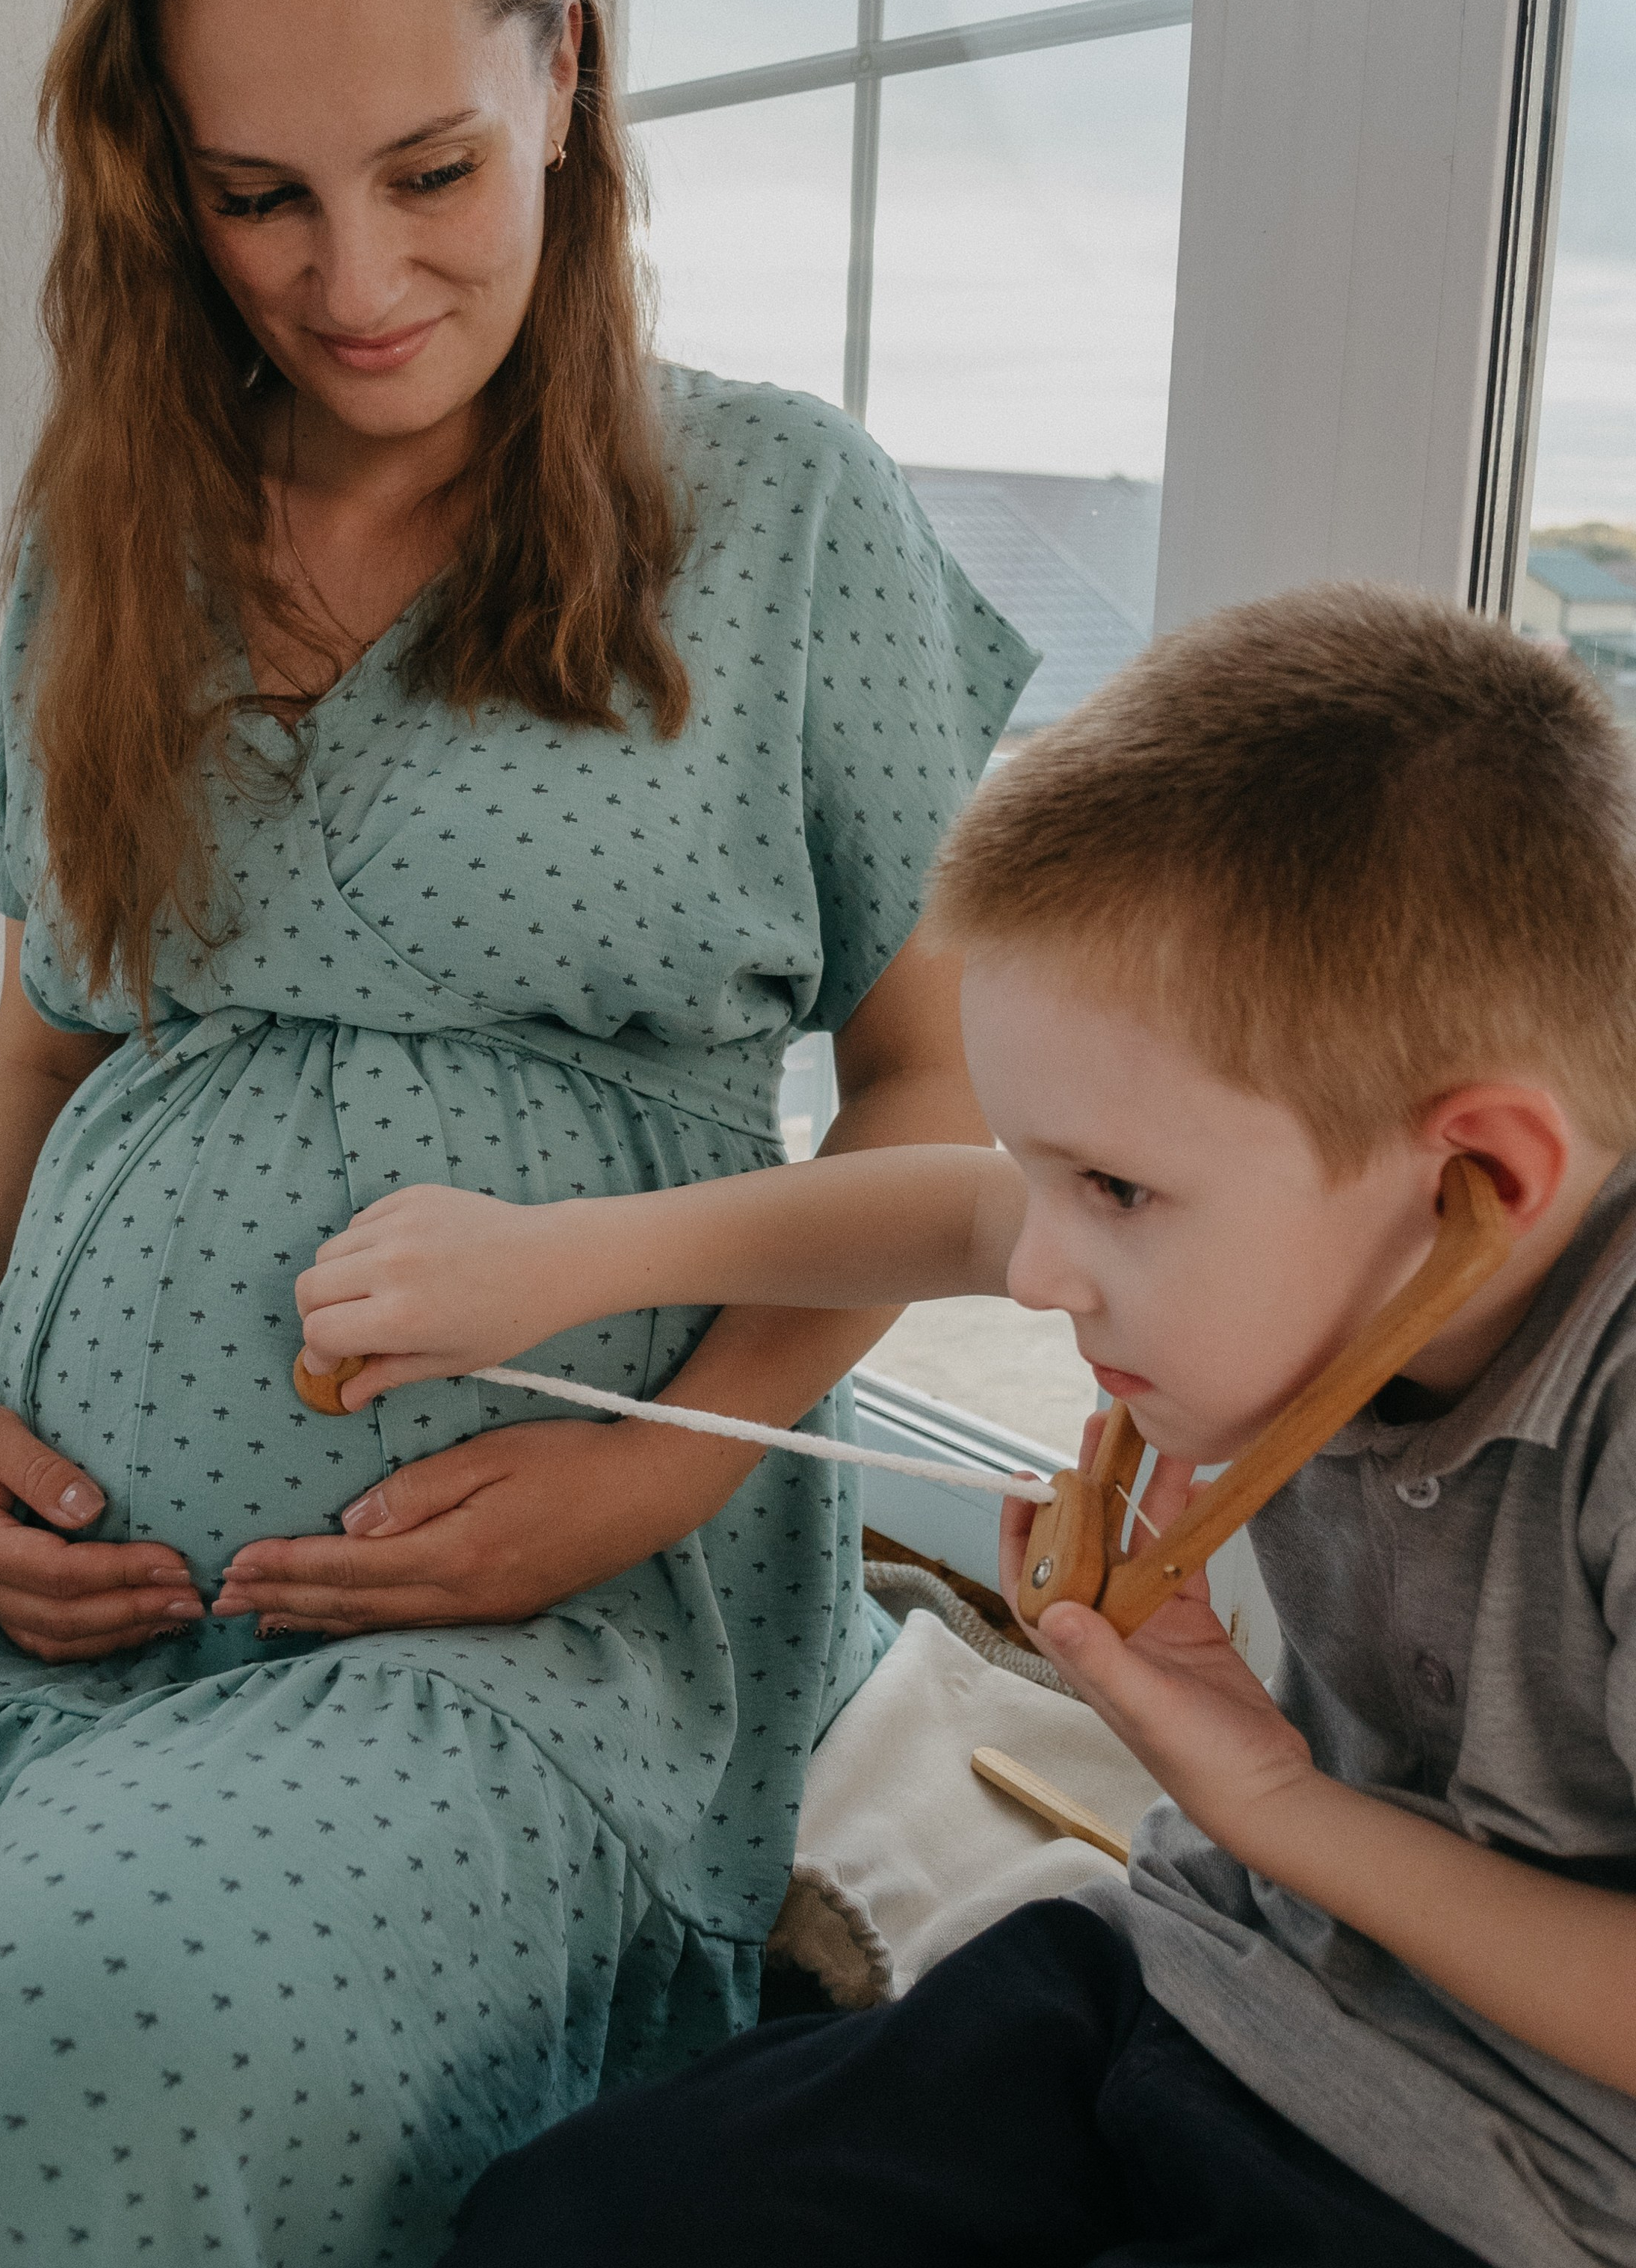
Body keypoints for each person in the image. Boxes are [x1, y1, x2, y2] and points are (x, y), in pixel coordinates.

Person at [0, 0, 1033, 2264]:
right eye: (260, 195)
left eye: (432, 174)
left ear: (567, 80)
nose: (356, 283)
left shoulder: (785, 513)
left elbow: (944, 1124)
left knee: (94, 2033)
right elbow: (42, 1054)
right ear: (157, 167)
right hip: (17, 1584)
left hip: (538, 1631)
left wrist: (666, 1467)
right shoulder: (118, 531)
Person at [303, 584, 1636, 2268]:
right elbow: (947, 1215)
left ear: (1481, 1182)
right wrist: (562, 1260)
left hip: (1525, 2207)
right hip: (1203, 1986)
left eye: (1119, 1195)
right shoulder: (1348, 1207)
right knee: (564, 2227)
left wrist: (1278, 1806)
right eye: (1050, 1174)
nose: (1043, 1268)